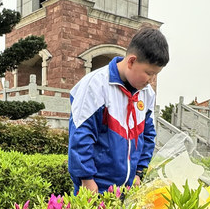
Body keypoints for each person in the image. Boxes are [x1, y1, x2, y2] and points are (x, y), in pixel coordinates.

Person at [67, 27, 169, 194]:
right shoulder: (95, 85)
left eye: (156, 74)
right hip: (95, 188)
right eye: (149, 73)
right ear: (131, 61)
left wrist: (139, 173)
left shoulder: (147, 94)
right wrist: (87, 180)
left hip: (128, 190)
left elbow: (148, 134)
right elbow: (81, 136)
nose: (152, 80)